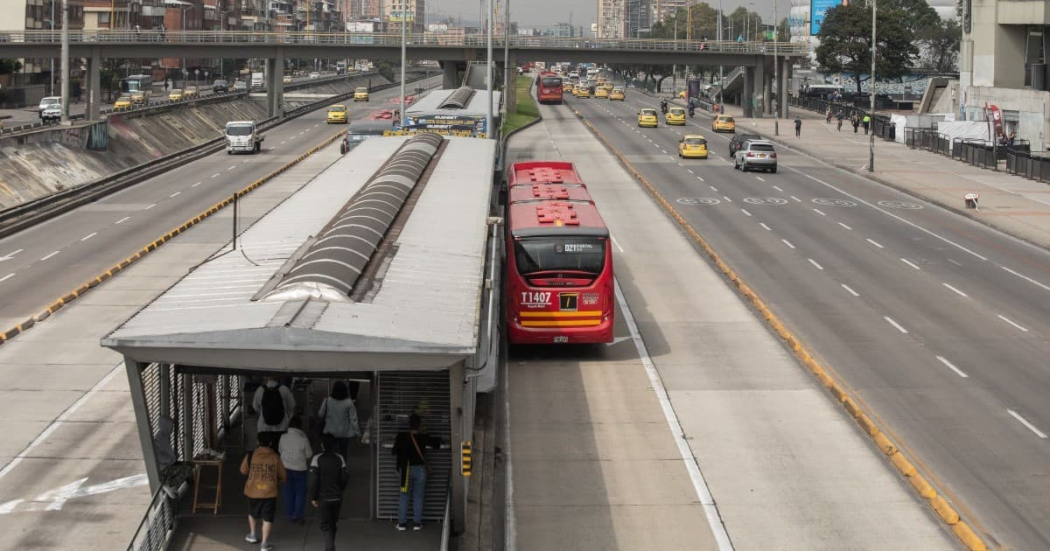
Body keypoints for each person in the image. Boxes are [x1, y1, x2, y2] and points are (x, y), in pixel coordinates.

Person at [392, 414, 441, 531]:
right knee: (418, 496)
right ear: (419, 425)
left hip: (406, 471)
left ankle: (402, 524)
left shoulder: (401, 436)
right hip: (420, 471)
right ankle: (417, 524)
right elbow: (436, 444)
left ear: (409, 424)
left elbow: (394, 451)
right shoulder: (423, 437)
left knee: (404, 496)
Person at [241, 432, 286, 551]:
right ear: (271, 443)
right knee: (268, 517)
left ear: (257, 442)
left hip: (253, 491)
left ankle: (252, 535)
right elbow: (283, 475)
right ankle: (265, 544)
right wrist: (279, 481)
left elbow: (243, 470)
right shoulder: (275, 457)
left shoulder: (250, 455)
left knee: (252, 513)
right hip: (269, 492)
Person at [309, 433, 349, 551]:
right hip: (337, 497)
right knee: (333, 524)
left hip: (323, 498)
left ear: (322, 445)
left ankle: (329, 547)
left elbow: (313, 480)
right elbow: (344, 479)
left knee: (326, 526)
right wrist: (340, 490)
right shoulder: (340, 458)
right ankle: (330, 545)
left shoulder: (317, 458)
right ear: (335, 445)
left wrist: (313, 497)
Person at [279, 417, 312, 524]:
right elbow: (309, 454)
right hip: (300, 470)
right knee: (300, 493)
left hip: (285, 469)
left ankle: (289, 515)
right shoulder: (303, 438)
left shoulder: (283, 437)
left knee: (288, 493)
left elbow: (280, 450)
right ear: (300, 426)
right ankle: (297, 515)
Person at [318, 381, 360, 460]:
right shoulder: (349, 402)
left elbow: (320, 414)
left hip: (329, 433)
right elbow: (353, 419)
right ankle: (343, 469)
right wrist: (358, 434)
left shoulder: (327, 400)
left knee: (329, 453)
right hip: (344, 433)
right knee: (343, 454)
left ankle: (331, 468)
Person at [253, 376, 296, 449]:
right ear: (278, 377)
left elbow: (255, 407)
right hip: (281, 427)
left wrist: (263, 413)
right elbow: (292, 405)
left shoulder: (260, 390)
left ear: (266, 378)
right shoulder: (284, 389)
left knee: (265, 451)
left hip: (264, 428)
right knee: (280, 450)